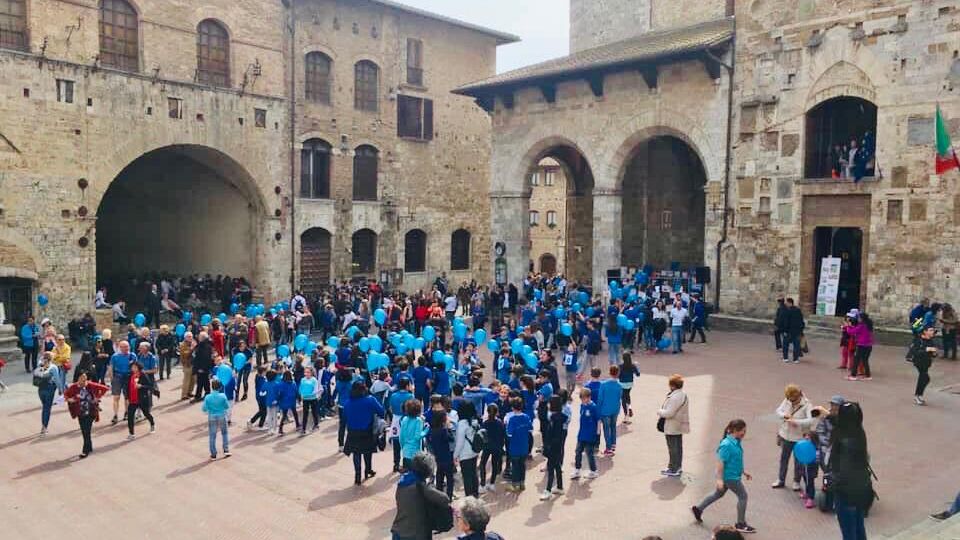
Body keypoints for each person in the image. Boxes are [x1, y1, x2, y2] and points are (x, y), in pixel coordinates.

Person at [691, 419, 756, 534]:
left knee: (718, 494)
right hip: (730, 478)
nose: (744, 434)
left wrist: (743, 471)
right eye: (743, 431)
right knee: (743, 496)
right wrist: (719, 480)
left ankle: (698, 509)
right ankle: (740, 523)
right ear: (735, 430)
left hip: (732, 476)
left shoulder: (735, 441)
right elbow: (720, 464)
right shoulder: (726, 445)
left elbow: (735, 461)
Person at [830, 401, 874, 540]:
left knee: (849, 532)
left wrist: (834, 484)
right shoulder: (858, 432)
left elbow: (842, 470)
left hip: (845, 492)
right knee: (859, 527)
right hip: (861, 489)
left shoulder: (842, 440)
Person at [390, 451, 452, 540]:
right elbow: (445, 499)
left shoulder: (402, 483)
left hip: (398, 531)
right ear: (427, 471)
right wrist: (430, 486)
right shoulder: (421, 487)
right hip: (415, 534)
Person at [773, 384, 816, 491]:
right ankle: (780, 479)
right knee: (783, 459)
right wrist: (784, 415)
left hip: (798, 438)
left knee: (798, 462)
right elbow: (778, 411)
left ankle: (796, 481)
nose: (791, 402)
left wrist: (796, 422)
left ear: (799, 396)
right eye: (789, 400)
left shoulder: (807, 404)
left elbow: (811, 420)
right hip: (785, 435)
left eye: (793, 400)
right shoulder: (787, 400)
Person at [343, 380, 385, 485]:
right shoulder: (370, 400)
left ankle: (357, 476)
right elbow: (381, 412)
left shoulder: (347, 402)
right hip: (367, 430)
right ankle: (368, 470)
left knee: (356, 453)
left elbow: (344, 418)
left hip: (352, 431)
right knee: (367, 451)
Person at [64, 370, 109, 458]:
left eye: (85, 379)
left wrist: (97, 397)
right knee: (84, 431)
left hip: (91, 411)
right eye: (82, 379)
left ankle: (85, 450)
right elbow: (65, 396)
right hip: (80, 412)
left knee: (86, 430)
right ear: (78, 379)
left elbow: (105, 388)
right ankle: (89, 446)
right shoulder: (73, 387)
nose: (84, 381)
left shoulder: (90, 385)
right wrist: (70, 400)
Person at [657, 374, 689, 477]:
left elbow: (669, 413)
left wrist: (660, 411)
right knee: (678, 446)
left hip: (672, 425)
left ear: (673, 385)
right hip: (679, 424)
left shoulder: (674, 397)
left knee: (673, 447)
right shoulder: (683, 394)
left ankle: (673, 468)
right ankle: (677, 467)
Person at [540, 395, 568, 500]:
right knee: (557, 467)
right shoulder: (561, 417)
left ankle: (548, 490)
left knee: (551, 469)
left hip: (552, 447)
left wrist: (547, 446)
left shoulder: (553, 419)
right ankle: (560, 487)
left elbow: (551, 434)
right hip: (558, 446)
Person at [453, 401, 481, 498]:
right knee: (474, 474)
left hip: (465, 454)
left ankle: (469, 498)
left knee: (467, 477)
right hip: (474, 452)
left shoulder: (462, 424)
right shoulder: (475, 421)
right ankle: (476, 495)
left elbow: (459, 443)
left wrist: (454, 456)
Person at [571, 387, 599, 480]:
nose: (583, 401)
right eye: (581, 399)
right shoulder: (582, 406)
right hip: (582, 434)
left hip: (590, 435)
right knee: (578, 451)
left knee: (589, 453)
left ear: (589, 397)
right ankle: (577, 469)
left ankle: (593, 471)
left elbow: (598, 421)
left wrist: (597, 434)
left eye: (584, 398)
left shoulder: (593, 407)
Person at [505, 397, 532, 492]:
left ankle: (515, 484)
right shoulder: (526, 417)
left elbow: (509, 433)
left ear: (512, 407)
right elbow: (530, 429)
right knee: (522, 465)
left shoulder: (512, 419)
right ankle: (522, 483)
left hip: (514, 447)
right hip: (524, 446)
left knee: (515, 466)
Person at [34, 352, 64, 436]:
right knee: (47, 408)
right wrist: (60, 390)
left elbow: (40, 359)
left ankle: (44, 426)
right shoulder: (53, 367)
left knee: (44, 407)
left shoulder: (39, 364)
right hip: (49, 389)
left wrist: (44, 355)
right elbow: (57, 380)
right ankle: (44, 427)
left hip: (40, 389)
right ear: (52, 359)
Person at [597, 365, 623, 456]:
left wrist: (598, 410)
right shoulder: (619, 386)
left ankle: (608, 448)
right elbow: (620, 397)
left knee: (606, 429)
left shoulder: (603, 384)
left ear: (609, 372)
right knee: (613, 427)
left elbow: (600, 399)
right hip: (615, 409)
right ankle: (613, 444)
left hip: (605, 410)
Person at [479, 403, 505, 493]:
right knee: (494, 465)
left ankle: (482, 484)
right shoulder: (500, 423)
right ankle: (492, 483)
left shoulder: (485, 423)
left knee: (482, 464)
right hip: (497, 447)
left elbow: (482, 435)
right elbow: (503, 435)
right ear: (497, 412)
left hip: (487, 446)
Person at [126, 361, 156, 440]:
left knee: (146, 413)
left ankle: (152, 423)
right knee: (130, 416)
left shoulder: (143, 375)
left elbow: (150, 386)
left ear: (139, 367)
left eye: (135, 367)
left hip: (141, 399)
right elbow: (127, 387)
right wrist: (127, 397)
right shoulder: (130, 375)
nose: (133, 369)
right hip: (132, 400)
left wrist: (141, 386)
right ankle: (131, 433)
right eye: (132, 367)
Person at [203, 378, 231, 459]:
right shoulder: (223, 396)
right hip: (222, 415)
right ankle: (226, 450)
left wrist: (209, 409)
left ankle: (213, 454)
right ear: (220, 387)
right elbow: (226, 406)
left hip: (212, 416)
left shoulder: (208, 397)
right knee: (224, 433)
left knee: (212, 435)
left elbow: (204, 409)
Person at [908, 325, 936, 405]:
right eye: (930, 330)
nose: (932, 332)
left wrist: (934, 353)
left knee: (925, 378)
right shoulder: (918, 340)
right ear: (925, 331)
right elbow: (915, 352)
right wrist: (926, 349)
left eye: (932, 330)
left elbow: (932, 353)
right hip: (919, 362)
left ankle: (919, 395)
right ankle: (918, 396)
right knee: (924, 377)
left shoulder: (931, 340)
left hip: (926, 362)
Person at [844, 313, 874, 381]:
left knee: (856, 360)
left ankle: (853, 375)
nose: (858, 319)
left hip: (861, 346)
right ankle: (868, 376)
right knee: (865, 361)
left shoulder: (862, 326)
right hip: (869, 346)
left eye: (859, 318)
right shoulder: (868, 325)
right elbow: (857, 330)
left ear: (862, 318)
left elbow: (851, 332)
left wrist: (848, 326)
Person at [782, 298, 805, 363]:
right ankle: (795, 359)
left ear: (790, 303)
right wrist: (801, 329)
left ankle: (785, 358)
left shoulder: (787, 311)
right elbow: (801, 321)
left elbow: (786, 322)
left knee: (785, 344)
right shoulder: (798, 310)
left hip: (789, 331)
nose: (785, 304)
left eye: (786, 303)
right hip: (797, 331)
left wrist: (785, 330)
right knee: (796, 345)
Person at [618, 352, 640, 420]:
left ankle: (626, 414)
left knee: (623, 399)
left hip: (622, 383)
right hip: (630, 383)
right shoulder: (632, 365)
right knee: (627, 395)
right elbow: (638, 374)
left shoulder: (621, 366)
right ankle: (629, 407)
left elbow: (618, 375)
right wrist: (637, 367)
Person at [179, 332, 196, 400]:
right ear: (185, 337)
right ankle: (184, 395)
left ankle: (189, 392)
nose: (190, 338)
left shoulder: (193, 342)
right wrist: (192, 348)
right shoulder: (183, 345)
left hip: (193, 363)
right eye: (188, 336)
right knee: (187, 380)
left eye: (191, 336)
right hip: (187, 364)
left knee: (193, 379)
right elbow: (186, 354)